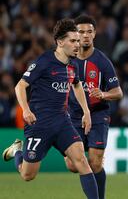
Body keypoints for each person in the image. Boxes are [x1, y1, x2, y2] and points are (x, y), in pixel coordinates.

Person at [2, 18, 99, 199]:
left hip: (63, 121)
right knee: (27, 175)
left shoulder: (73, 64)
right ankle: (17, 151)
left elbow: (77, 85)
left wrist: (86, 112)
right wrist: (26, 110)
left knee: (82, 162)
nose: (77, 45)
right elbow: (20, 86)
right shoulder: (44, 62)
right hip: (40, 124)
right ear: (60, 42)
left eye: (78, 41)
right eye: (73, 41)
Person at [64, 15, 123, 199]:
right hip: (73, 115)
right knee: (73, 166)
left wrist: (103, 94)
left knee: (95, 163)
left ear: (95, 34)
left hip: (98, 115)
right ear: (75, 34)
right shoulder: (66, 59)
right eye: (81, 32)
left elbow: (118, 92)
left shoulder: (102, 61)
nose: (86, 36)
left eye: (89, 32)